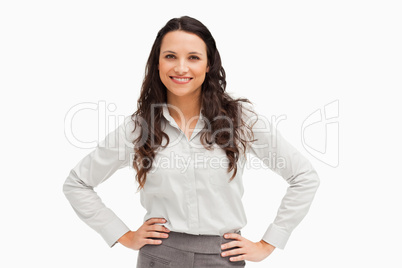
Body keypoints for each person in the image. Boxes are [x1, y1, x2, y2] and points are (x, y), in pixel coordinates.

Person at [63, 16, 320, 267]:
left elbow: (303, 177)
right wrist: (124, 235)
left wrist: (268, 244)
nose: (181, 68)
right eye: (170, 56)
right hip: (161, 256)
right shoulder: (138, 127)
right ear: (157, 63)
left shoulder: (240, 120)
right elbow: (77, 184)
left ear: (208, 65)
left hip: (223, 257)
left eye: (193, 57)